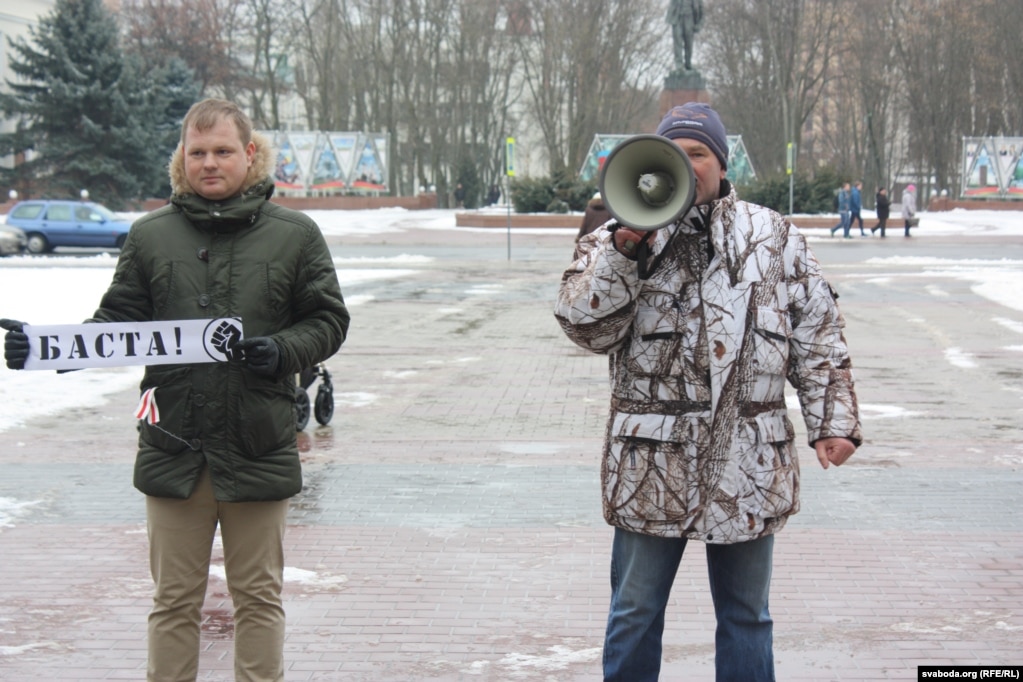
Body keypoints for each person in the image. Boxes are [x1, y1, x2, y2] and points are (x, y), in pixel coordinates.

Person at [2, 98, 351, 681]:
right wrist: (46, 350)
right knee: (172, 602)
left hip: (257, 445)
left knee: (259, 600)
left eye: (221, 151)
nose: (209, 163)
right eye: (197, 152)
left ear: (250, 154)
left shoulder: (295, 235)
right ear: (181, 159)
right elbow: (117, 323)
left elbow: (328, 320)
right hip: (174, 447)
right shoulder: (150, 236)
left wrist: (284, 350)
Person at [554, 102, 861, 682]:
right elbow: (584, 328)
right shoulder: (614, 239)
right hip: (651, 462)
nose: (687, 164)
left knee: (747, 615)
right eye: (675, 152)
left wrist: (834, 422)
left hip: (749, 460)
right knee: (634, 612)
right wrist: (624, 253)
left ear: (721, 164)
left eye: (698, 153)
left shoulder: (773, 237)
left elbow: (817, 333)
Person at [668, 0, 704, 72]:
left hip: (689, 17)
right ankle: (679, 64)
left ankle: (688, 63)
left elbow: (701, 9)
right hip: (677, 17)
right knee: (677, 41)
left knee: (689, 42)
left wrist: (699, 24)